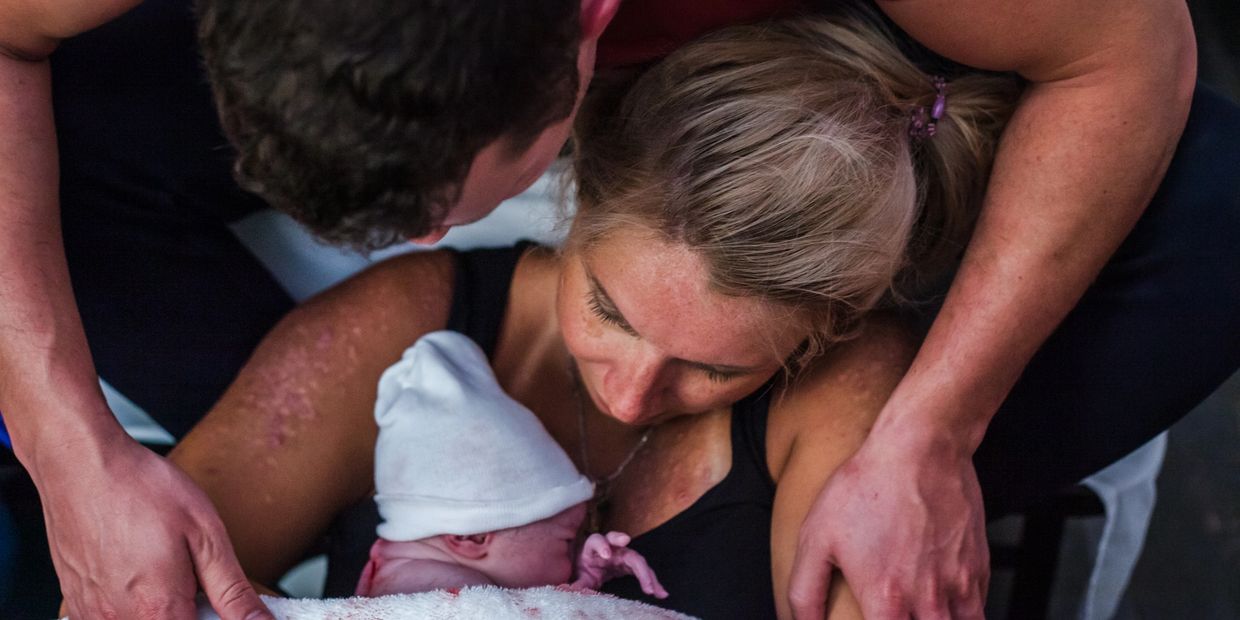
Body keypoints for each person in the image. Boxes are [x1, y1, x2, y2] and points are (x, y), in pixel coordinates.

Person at [168, 11, 1024, 618]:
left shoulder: (854, 392)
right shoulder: (408, 323)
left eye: (716, 368)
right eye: (609, 310)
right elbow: (148, 589)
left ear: (822, 333)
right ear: (578, 203)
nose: (629, 397)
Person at [354, 330, 666, 599]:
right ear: (472, 539)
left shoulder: (417, 579)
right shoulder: (444, 591)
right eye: (567, 542)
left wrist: (586, 577)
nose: (572, 556)